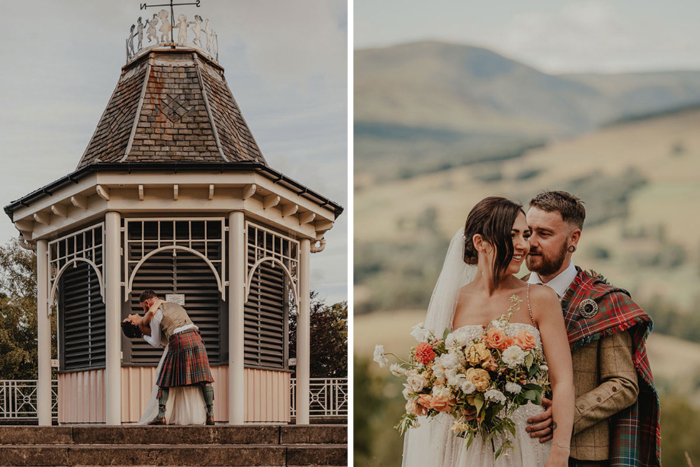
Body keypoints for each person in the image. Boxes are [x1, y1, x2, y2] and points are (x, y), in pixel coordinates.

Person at [403, 197, 575, 467]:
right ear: (480, 243)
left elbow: (563, 380)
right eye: (512, 235)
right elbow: (434, 378)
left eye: (525, 235)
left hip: (522, 441)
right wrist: (457, 401)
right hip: (460, 445)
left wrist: (560, 452)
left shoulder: (540, 298)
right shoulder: (451, 302)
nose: (523, 245)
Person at [522, 191, 660, 467]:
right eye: (528, 232)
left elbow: (624, 385)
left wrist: (567, 414)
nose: (531, 243)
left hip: (582, 454)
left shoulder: (604, 302)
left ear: (573, 239)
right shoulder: (511, 293)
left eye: (544, 234)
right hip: (519, 446)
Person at [122, 290, 215, 425]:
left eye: (143, 307)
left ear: (147, 303)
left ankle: (161, 415)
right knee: (203, 378)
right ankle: (210, 416)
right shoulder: (175, 305)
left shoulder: (155, 314)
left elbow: (155, 342)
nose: (141, 311)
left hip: (179, 339)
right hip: (196, 337)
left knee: (165, 378)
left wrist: (143, 335)